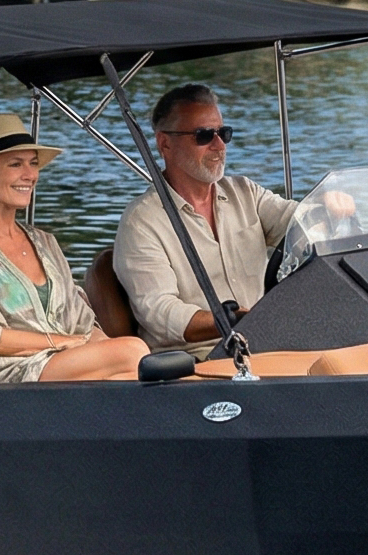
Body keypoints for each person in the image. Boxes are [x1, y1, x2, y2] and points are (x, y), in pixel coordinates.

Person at [0, 113, 149, 385]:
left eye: (33, 163)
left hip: (60, 367)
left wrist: (106, 348)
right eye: (15, 164)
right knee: (135, 353)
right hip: (2, 379)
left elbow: (82, 322)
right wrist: (62, 343)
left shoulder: (45, 242)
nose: (30, 175)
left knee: (141, 368)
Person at [111, 84, 296, 353]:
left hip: (263, 344)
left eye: (223, 133)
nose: (219, 145)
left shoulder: (245, 192)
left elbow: (299, 223)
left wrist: (329, 207)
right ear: (165, 143)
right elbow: (160, 311)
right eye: (204, 135)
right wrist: (232, 320)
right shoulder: (141, 222)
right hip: (195, 362)